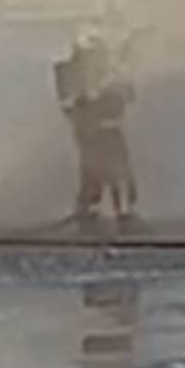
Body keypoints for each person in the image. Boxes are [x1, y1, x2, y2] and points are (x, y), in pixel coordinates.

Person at [54, 21, 140, 230]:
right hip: (91, 132)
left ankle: (119, 209)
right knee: (96, 173)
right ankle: (91, 210)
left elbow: (127, 95)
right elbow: (70, 105)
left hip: (104, 129)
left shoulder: (109, 77)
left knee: (116, 172)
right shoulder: (72, 78)